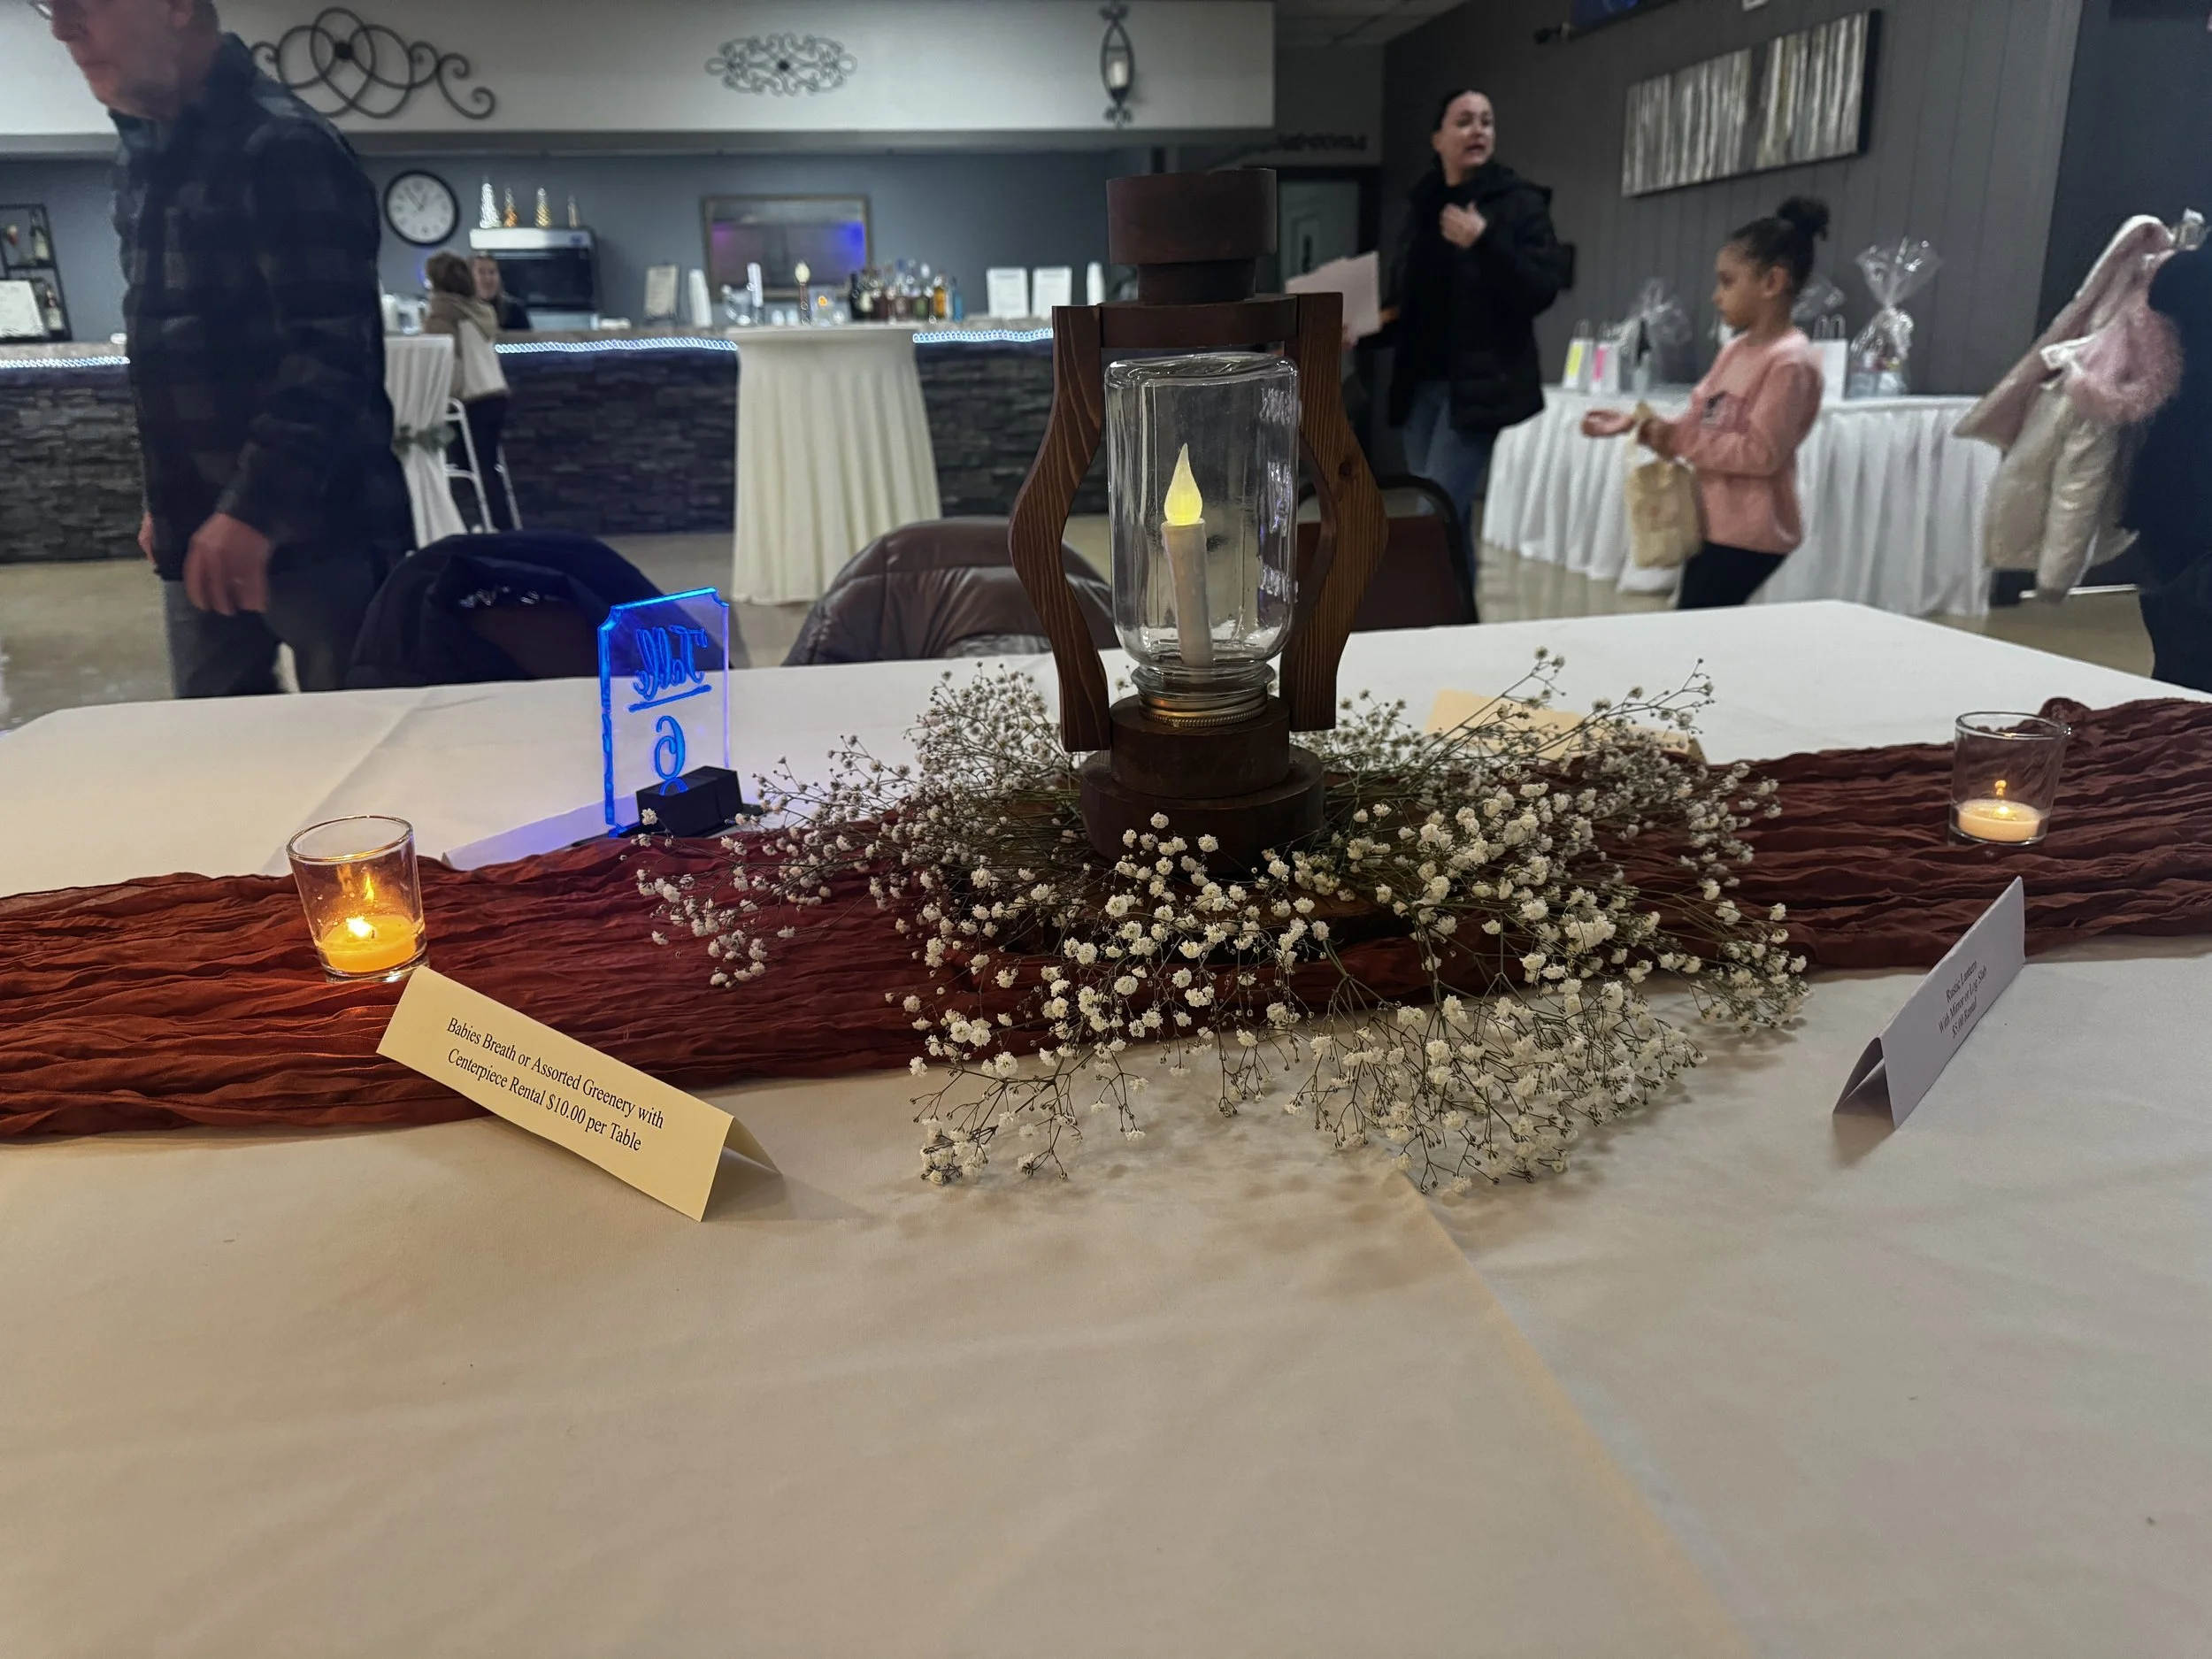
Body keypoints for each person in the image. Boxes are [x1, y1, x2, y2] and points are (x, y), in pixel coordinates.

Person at [44, 0, 410, 697]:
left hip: (318, 524)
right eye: (51, 9)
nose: (63, 29)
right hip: (201, 524)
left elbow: (332, 354)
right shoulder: (141, 157)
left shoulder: (284, 144)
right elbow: (168, 349)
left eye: (83, 4)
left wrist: (251, 509)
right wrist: (169, 495)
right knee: (217, 758)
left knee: (366, 756)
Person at [1583, 198, 1830, 610]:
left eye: (1728, 282)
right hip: (1713, 520)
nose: (1716, 296)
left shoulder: (1790, 362)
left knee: (1696, 630)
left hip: (1750, 531)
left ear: (1772, 282)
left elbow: (1761, 453)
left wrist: (1679, 440)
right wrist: (1641, 424)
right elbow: (1699, 418)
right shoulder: (1734, 352)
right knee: (1700, 628)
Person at [1380, 88, 1570, 593]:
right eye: (1464, 122)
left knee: (1432, 510)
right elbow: (1410, 300)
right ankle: (1458, 619)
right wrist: (1363, 328)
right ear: (1437, 138)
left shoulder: (1518, 203)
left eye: (1487, 121)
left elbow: (1541, 288)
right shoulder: (1422, 207)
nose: (1478, 131)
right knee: (1449, 517)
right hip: (1421, 383)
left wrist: (1485, 242)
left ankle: (1416, 618)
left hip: (1479, 387)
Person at [2121, 243, 2212, 690]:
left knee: (2181, 642)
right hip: (2188, 480)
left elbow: (2163, 291)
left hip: (2178, 475)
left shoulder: (2185, 271)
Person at [423, 250, 516, 531]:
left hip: (471, 399)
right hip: (495, 392)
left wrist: (442, 396)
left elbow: (447, 362)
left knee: (469, 468)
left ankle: (478, 525)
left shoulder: (442, 313)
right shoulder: (481, 310)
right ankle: (502, 524)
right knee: (489, 466)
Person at [472, 254, 531, 332]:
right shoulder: (464, 310)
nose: (487, 278)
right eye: (481, 272)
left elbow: (528, 340)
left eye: (492, 272)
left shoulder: (515, 310)